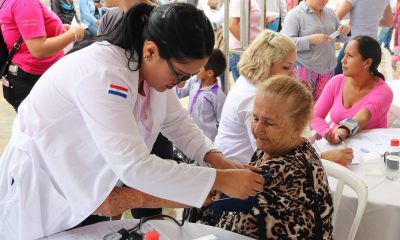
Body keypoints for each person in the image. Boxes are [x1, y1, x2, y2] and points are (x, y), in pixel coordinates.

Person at [0, 3, 265, 239]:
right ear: (151, 50)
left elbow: (177, 122)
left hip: (86, 183)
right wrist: (218, 179)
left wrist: (217, 159)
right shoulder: (104, 75)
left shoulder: (147, 68)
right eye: (181, 75)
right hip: (44, 187)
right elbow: (135, 167)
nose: (181, 84)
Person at [217, 75, 334, 239]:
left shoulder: (288, 169)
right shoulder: (272, 147)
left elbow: (219, 199)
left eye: (269, 123)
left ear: (298, 126)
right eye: (255, 118)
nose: (258, 129)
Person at [214, 30, 354, 166]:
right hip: (239, 172)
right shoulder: (254, 99)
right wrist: (323, 157)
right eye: (286, 67)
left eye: (293, 66)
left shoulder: (250, 82)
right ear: (266, 65)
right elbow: (272, 156)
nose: (292, 74)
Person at [0, 0, 85, 111]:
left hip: (27, 75)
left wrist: (56, 28)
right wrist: (73, 34)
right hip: (35, 78)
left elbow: (19, 29)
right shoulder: (25, 2)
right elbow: (38, 50)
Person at [312, 36, 393, 145]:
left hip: (371, 152)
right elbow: (315, 115)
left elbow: (363, 117)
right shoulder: (336, 82)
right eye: (344, 54)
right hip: (339, 146)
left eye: (350, 56)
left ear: (367, 63)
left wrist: (343, 130)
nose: (343, 60)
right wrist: (328, 133)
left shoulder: (383, 92)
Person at [281, 0, 350, 101]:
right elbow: (286, 43)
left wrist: (346, 31)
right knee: (301, 107)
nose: (324, 1)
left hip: (328, 71)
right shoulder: (295, 14)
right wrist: (310, 40)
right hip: (304, 70)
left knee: (320, 107)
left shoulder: (330, 13)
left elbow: (341, 38)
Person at [176, 49, 227, 142]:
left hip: (208, 141)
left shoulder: (218, 96)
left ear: (210, 73)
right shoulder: (195, 80)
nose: (196, 69)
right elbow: (179, 93)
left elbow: (222, 123)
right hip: (191, 134)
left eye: (200, 67)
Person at [334, 0, 393, 75]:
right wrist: (372, 21)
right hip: (373, 46)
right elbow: (389, 22)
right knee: (368, 80)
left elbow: (335, 18)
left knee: (335, 78)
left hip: (355, 44)